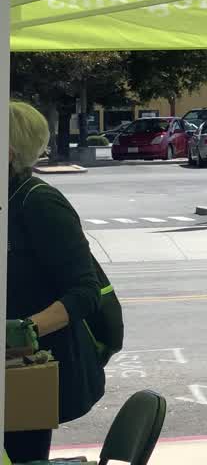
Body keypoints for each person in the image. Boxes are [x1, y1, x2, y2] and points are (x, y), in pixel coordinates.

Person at [5, 102, 105, 462]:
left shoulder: (39, 202)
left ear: (9, 152)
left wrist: (20, 332)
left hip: (27, 371)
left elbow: (84, 292)